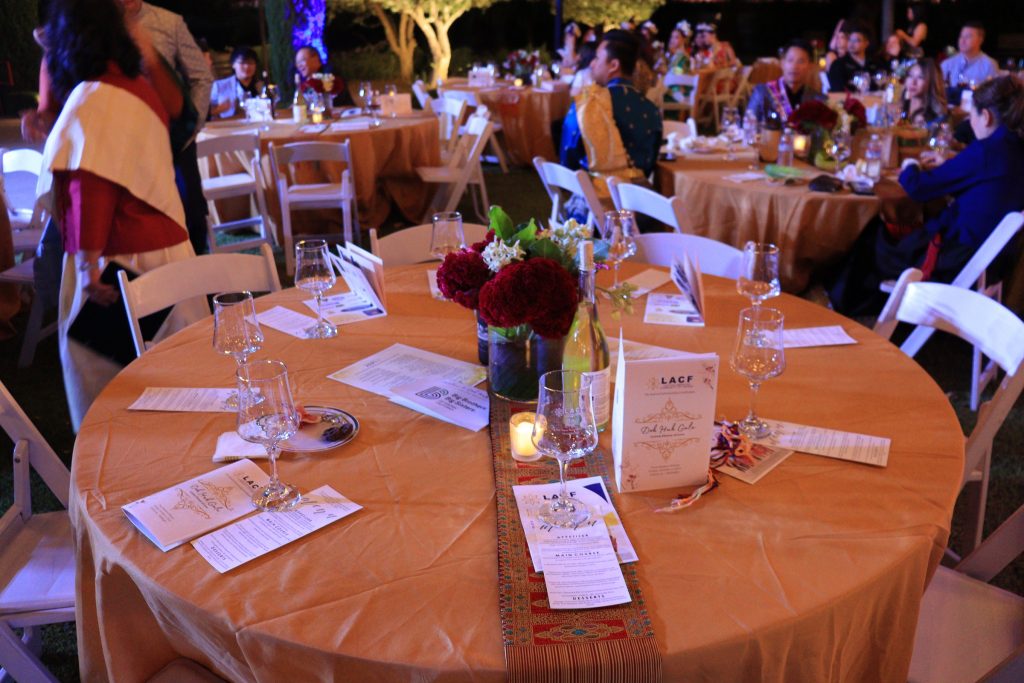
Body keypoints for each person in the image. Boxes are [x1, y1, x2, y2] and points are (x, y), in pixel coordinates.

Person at [37, 0, 206, 430]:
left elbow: (90, 186)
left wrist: (86, 266)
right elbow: (178, 114)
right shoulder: (139, 88)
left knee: (114, 395)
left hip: (118, 264)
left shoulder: (94, 98)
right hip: (170, 252)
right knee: (186, 380)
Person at [828, 76, 1024, 315]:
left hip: (954, 257)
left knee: (869, 230)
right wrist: (951, 163)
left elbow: (917, 187)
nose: (970, 122)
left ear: (986, 116)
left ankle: (842, 307)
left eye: (971, 116)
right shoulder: (1015, 147)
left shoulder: (985, 152)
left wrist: (910, 164)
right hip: (994, 260)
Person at [119, 0, 212, 257]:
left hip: (174, 138)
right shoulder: (97, 24)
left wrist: (191, 127)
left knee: (191, 211)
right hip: (124, 139)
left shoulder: (168, 22)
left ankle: (197, 272)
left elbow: (201, 77)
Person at [560, 30, 662, 179]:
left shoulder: (586, 105)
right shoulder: (652, 111)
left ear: (614, 65)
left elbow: (568, 167)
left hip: (590, 193)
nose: (592, 64)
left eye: (597, 57)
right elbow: (649, 166)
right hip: (636, 193)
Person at [746, 39, 825, 124]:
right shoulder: (762, 92)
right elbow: (747, 125)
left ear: (810, 66)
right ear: (782, 63)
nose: (794, 66)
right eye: (790, 60)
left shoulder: (817, 99)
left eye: (801, 61)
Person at [940, 22, 999, 104]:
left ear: (980, 40)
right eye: (961, 36)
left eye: (968, 36)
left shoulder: (989, 65)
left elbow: (993, 95)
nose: (962, 40)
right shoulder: (947, 64)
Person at [209, 46, 263, 119]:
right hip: (229, 124)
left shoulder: (261, 86)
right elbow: (207, 113)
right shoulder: (219, 86)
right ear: (233, 64)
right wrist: (219, 109)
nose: (247, 66)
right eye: (242, 62)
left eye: (251, 63)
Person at [827, 23, 879, 92]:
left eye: (857, 40)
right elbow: (837, 90)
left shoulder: (874, 63)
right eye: (850, 40)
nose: (852, 43)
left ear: (866, 43)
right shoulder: (838, 64)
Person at [901, 58, 947, 128]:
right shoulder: (898, 107)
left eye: (920, 77)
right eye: (910, 75)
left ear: (931, 82)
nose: (913, 82)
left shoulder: (930, 119)